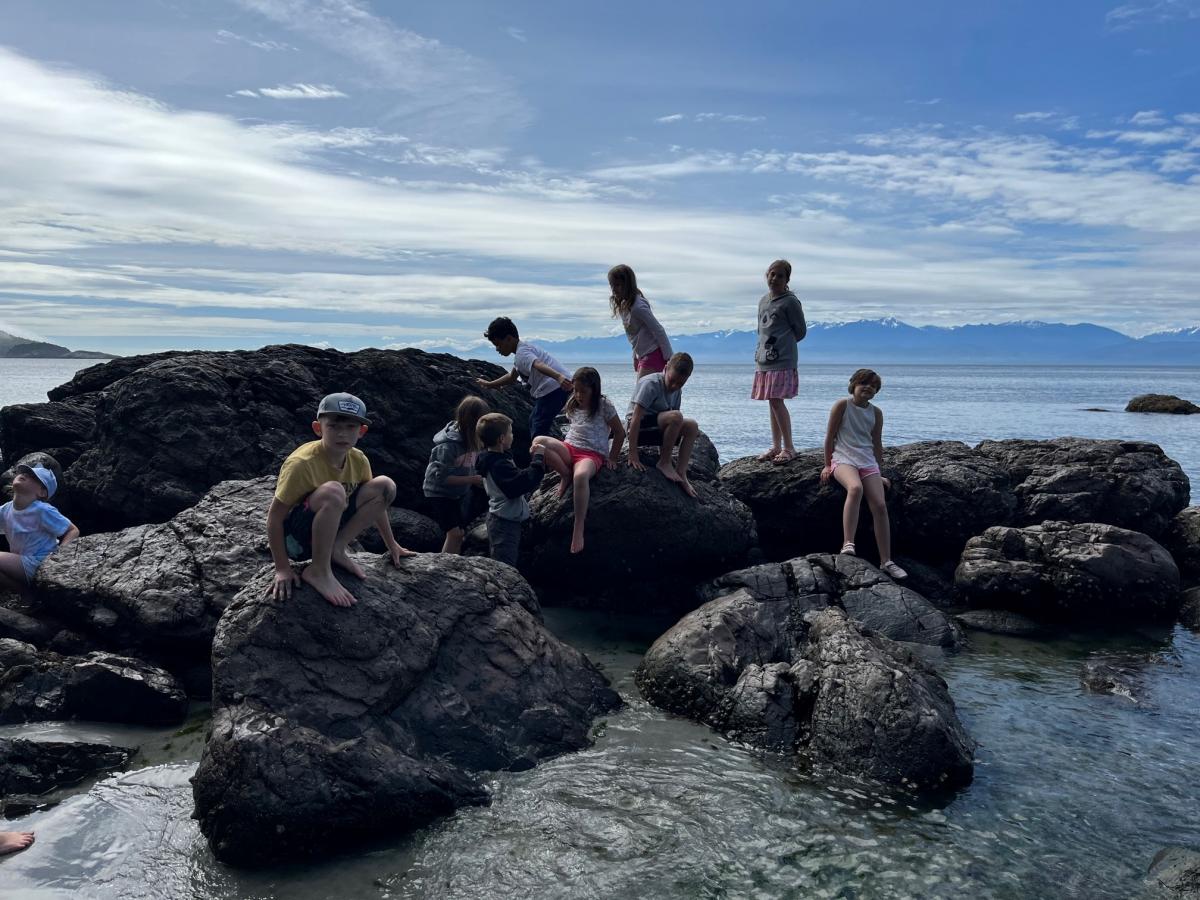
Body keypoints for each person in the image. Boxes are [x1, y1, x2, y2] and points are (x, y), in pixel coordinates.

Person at [265, 392, 414, 608]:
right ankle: (318, 570)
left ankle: (337, 549)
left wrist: (392, 544)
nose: (342, 434)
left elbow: (376, 503)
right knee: (334, 491)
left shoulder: (358, 459)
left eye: (351, 427)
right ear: (318, 428)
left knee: (385, 486)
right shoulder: (301, 464)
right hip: (296, 542)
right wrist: (282, 568)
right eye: (334, 426)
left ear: (361, 431)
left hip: (329, 531)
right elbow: (274, 517)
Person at [819, 369, 907, 580]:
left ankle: (886, 561)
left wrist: (879, 472)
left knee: (879, 504)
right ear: (854, 386)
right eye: (863, 383)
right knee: (855, 488)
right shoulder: (842, 405)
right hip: (843, 459)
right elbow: (830, 437)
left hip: (867, 462)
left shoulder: (876, 413)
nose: (867, 387)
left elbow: (876, 443)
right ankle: (848, 543)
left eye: (872, 385)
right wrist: (826, 465)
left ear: (876, 391)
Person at [532, 367, 626, 554]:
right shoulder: (572, 403)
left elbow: (620, 432)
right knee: (537, 442)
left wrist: (613, 457)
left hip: (592, 454)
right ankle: (564, 474)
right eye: (575, 390)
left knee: (581, 476)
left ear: (594, 389)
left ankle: (578, 525)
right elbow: (574, 429)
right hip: (569, 448)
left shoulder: (604, 404)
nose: (579, 395)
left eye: (583, 391)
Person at [476, 317, 573, 438]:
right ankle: (545, 449)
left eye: (498, 344)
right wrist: (490, 384)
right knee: (534, 420)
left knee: (538, 426)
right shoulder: (523, 351)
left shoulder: (522, 354)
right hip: (557, 388)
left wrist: (559, 377)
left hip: (554, 389)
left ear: (509, 339)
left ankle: (540, 453)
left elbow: (538, 364)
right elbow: (511, 377)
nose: (497, 349)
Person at [752, 259, 807, 464]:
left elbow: (800, 331)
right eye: (771, 274)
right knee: (772, 401)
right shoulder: (763, 300)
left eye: (780, 275)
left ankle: (789, 447)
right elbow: (761, 329)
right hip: (764, 359)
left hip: (782, 359)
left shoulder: (790, 302)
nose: (774, 278)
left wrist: (783, 346)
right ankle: (776, 446)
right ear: (767, 275)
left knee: (776, 400)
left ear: (787, 279)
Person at [475, 412, 548, 566]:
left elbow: (512, 470)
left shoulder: (490, 457)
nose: (512, 435)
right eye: (510, 432)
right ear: (501, 439)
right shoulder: (499, 465)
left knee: (508, 557)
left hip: (504, 517)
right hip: (504, 522)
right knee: (504, 564)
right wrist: (538, 459)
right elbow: (521, 483)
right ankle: (504, 589)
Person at [625, 352, 700, 498]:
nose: (675, 385)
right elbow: (635, 418)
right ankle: (664, 462)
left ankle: (681, 472)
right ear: (665, 369)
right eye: (672, 380)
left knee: (692, 426)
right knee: (676, 416)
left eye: (680, 383)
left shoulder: (677, 391)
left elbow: (673, 424)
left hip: (656, 429)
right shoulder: (651, 383)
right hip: (639, 428)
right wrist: (632, 453)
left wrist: (665, 447)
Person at [423, 395, 489, 554]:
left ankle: (453, 562)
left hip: (459, 493)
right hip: (439, 494)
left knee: (460, 533)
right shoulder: (448, 446)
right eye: (483, 421)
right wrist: (472, 479)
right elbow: (441, 479)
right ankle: (444, 567)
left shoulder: (474, 439)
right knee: (455, 533)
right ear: (473, 422)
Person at [0, 464, 78, 596]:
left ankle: (26, 594)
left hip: (40, 562)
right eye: (23, 473)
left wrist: (59, 556)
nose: (24, 475)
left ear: (42, 492)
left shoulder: (42, 510)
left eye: (33, 477)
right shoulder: (6, 509)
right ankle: (25, 593)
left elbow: (73, 530)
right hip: (21, 561)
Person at [608, 264, 673, 379]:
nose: (614, 289)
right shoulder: (625, 306)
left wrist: (670, 359)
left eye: (617, 285)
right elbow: (635, 336)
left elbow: (658, 330)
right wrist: (635, 357)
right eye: (612, 285)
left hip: (654, 354)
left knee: (640, 395)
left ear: (627, 284)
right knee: (647, 394)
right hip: (644, 355)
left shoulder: (638, 307)